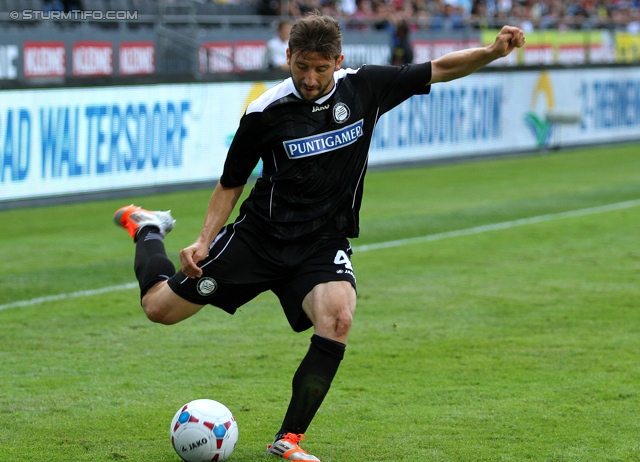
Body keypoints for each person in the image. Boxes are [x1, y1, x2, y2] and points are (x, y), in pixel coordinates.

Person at [113, 12, 525, 461]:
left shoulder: (365, 86)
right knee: (159, 309)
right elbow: (230, 183)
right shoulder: (263, 113)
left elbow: (440, 68)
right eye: (301, 67)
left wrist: (490, 52)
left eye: (320, 68)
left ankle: (288, 439)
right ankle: (148, 227)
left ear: (338, 61)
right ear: (288, 57)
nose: (310, 79)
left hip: (322, 244)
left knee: (339, 319)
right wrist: (204, 240)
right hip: (260, 240)